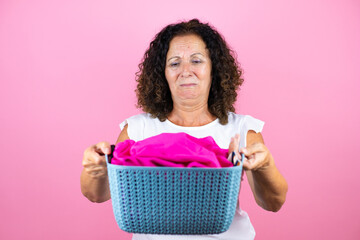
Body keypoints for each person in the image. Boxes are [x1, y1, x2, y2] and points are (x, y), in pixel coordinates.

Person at [81, 19, 288, 240]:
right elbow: (96, 194)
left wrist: (265, 165)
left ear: (214, 69)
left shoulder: (242, 130)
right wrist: (96, 169)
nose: (185, 71)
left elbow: (272, 203)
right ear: (163, 74)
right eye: (174, 63)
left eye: (196, 61)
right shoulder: (138, 129)